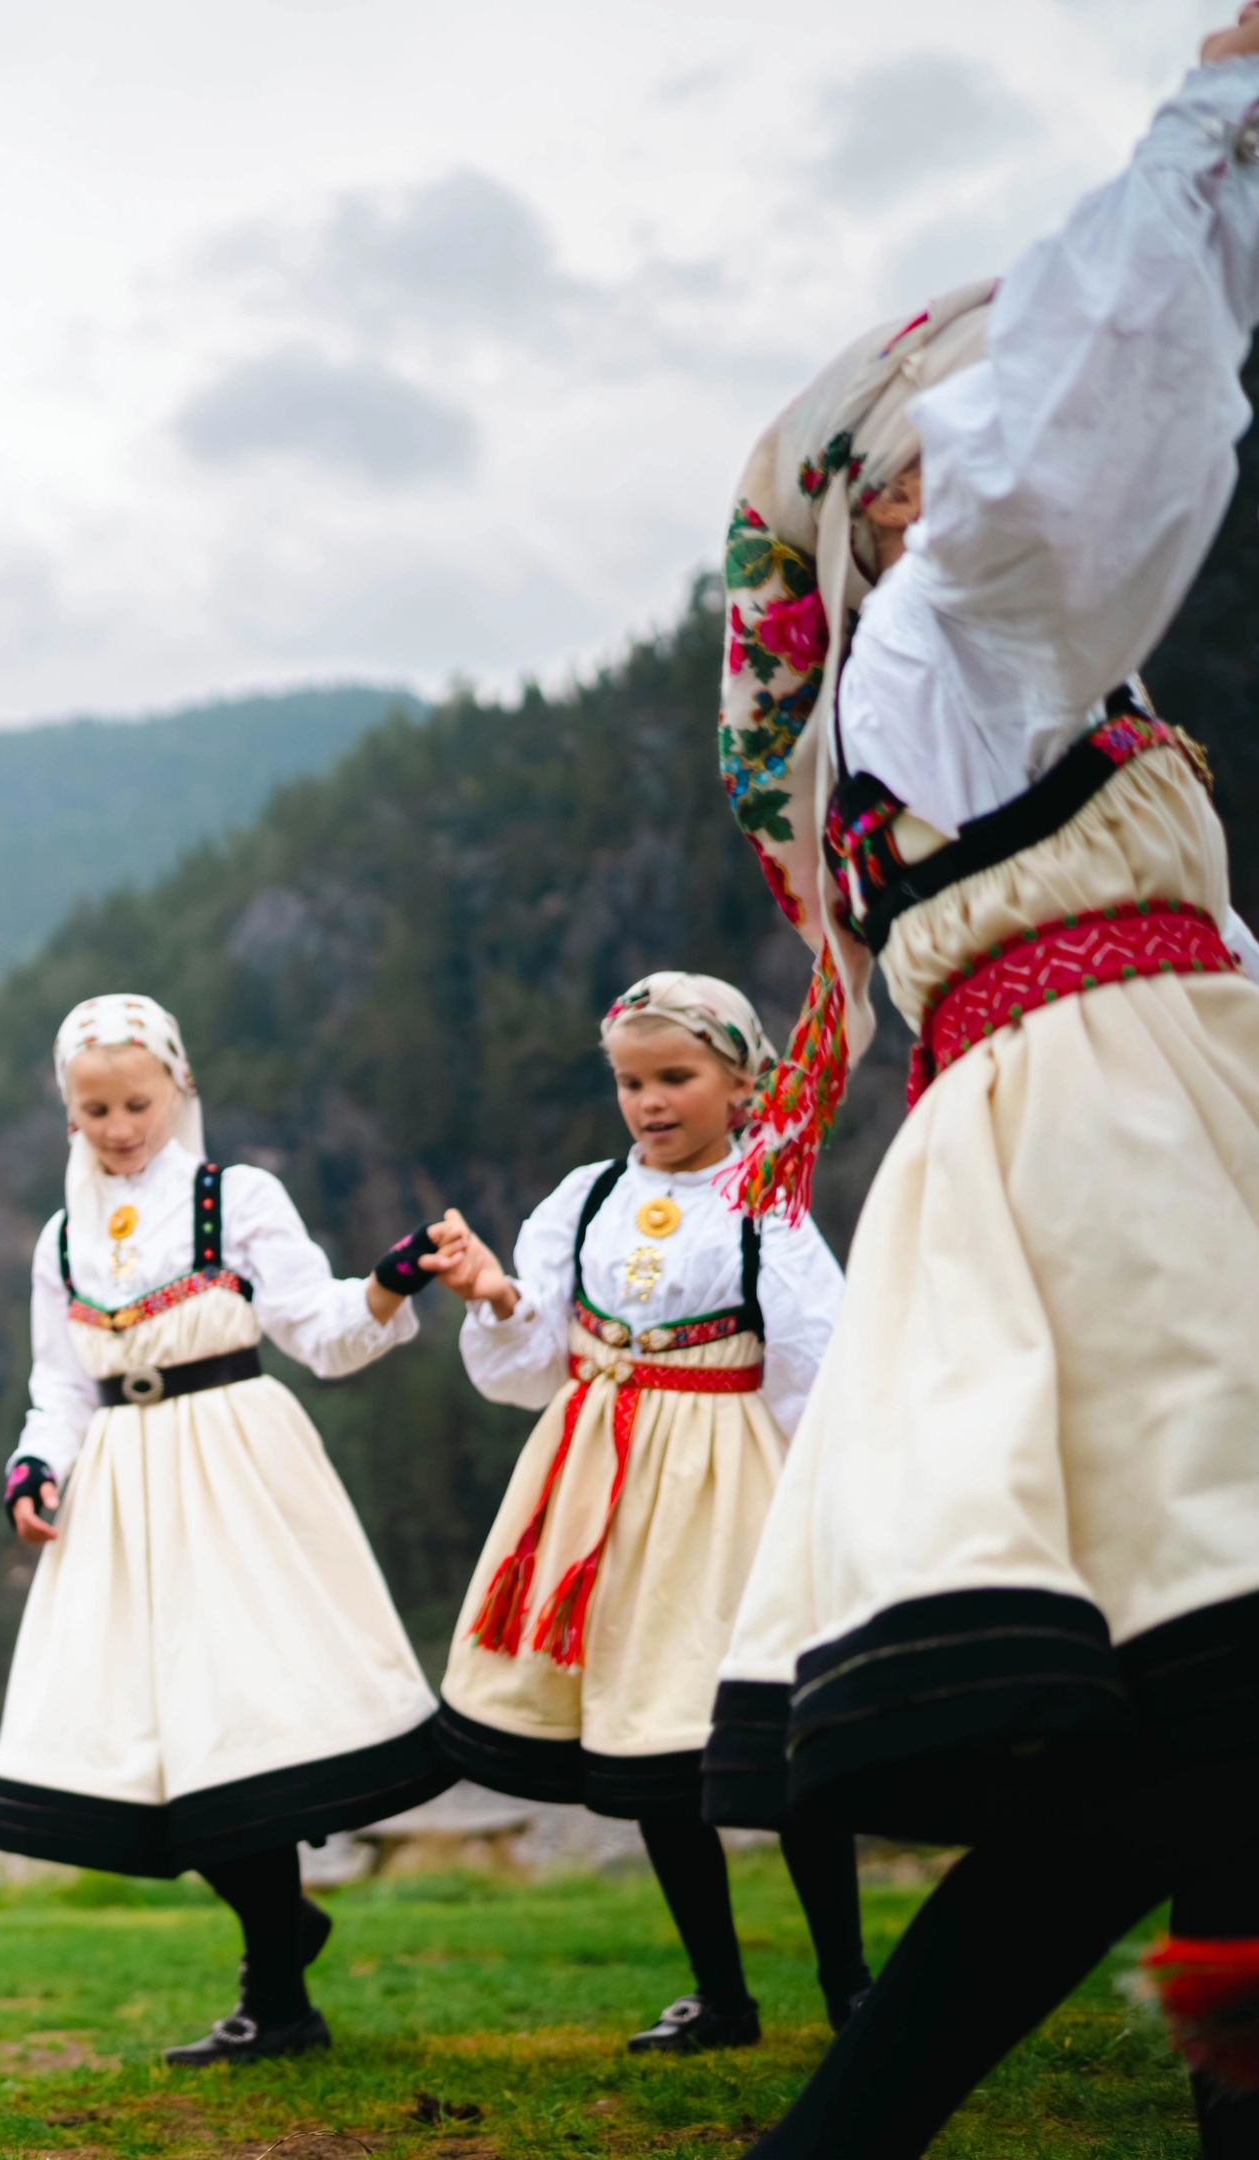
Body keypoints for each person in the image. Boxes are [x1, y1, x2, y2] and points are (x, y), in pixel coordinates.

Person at [699, 15, 1259, 2150]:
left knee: (1204, 1690)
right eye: (937, 463)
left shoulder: (1024, 671)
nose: (989, 482)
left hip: (1154, 1128)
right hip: (1105, 1158)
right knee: (1203, 1680)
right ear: (880, 526)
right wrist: (1218, 113)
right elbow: (1098, 410)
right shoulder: (948, 641)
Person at [0, 994, 450, 2067]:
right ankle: (283, 1940)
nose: (118, 1126)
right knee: (139, 1738)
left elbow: (320, 1332)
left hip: (235, 1472)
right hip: (122, 1493)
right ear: (69, 1114)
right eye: (93, 1108)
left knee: (239, 1729)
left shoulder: (235, 1198)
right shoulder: (62, 1241)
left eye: (136, 1101)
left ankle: (277, 1999)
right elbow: (61, 1384)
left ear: (179, 1090)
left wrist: (385, 1283)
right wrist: (34, 1467)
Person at [418, 973, 867, 2053]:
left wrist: (831, 1507)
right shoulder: (581, 1200)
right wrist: (496, 1297)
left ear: (742, 1083)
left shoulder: (772, 1199)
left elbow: (816, 1362)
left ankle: (852, 1986)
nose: (651, 1101)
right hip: (598, 1491)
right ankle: (722, 1994)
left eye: (677, 1076)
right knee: (648, 1741)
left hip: (726, 1496)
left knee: (774, 1740)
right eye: (631, 1081)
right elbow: (533, 1364)